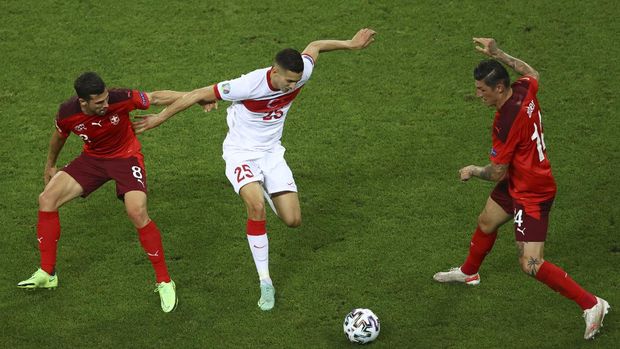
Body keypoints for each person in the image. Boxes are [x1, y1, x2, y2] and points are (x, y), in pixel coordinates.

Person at [132, 28, 376, 311]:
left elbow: (315, 45)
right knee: (255, 206)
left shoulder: (302, 73)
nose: (293, 86)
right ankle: (266, 282)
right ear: (274, 71)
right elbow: (195, 94)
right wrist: (158, 120)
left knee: (293, 220)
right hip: (241, 155)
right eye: (288, 80)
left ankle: (267, 188)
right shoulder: (248, 84)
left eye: (296, 81)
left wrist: (350, 44)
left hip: (272, 154)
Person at [433, 38, 610, 339]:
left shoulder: (505, 121)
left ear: (499, 88)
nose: (478, 95)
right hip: (517, 179)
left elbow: (496, 170)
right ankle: (468, 272)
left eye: (482, 90)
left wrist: (472, 170)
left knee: (530, 263)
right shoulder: (525, 89)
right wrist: (498, 53)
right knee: (486, 221)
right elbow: (533, 72)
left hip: (532, 192)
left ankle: (593, 304)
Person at [17, 72, 208, 313]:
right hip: (93, 160)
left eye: (106, 99)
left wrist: (197, 97)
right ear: (83, 102)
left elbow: (156, 97)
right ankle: (47, 273)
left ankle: (164, 281)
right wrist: (50, 165)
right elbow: (59, 136)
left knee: (137, 211)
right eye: (99, 103)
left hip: (126, 158)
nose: (106, 105)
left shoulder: (120, 98)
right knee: (47, 199)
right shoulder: (67, 112)